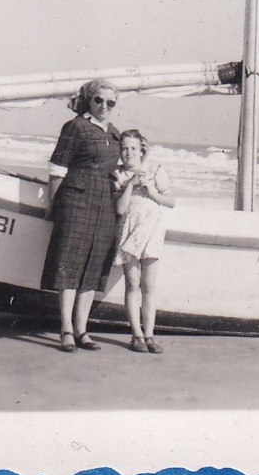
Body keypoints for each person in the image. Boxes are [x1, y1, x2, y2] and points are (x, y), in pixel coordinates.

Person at [41, 79, 123, 353]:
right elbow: (56, 169)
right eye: (99, 100)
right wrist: (52, 207)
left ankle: (82, 330)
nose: (104, 106)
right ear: (89, 99)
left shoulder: (115, 134)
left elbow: (118, 171)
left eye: (111, 102)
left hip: (104, 205)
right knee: (69, 264)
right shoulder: (75, 127)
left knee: (92, 266)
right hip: (75, 201)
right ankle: (65, 329)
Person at [112, 129, 175, 354]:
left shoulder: (155, 171)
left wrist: (150, 191)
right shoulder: (118, 174)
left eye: (133, 148)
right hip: (130, 230)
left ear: (142, 151)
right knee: (133, 284)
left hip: (152, 230)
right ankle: (136, 335)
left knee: (149, 286)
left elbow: (170, 201)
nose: (128, 152)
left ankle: (149, 335)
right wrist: (130, 185)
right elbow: (119, 209)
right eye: (124, 148)